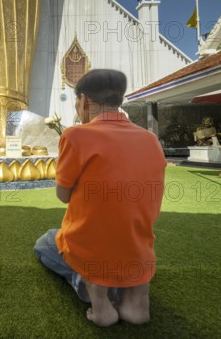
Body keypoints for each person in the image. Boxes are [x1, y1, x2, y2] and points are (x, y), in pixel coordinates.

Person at [34, 69, 166, 327]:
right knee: (124, 242)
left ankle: (95, 292)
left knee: (45, 243)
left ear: (84, 101)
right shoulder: (150, 139)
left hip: (92, 251)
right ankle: (135, 300)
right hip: (138, 250)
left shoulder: (75, 135)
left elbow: (63, 195)